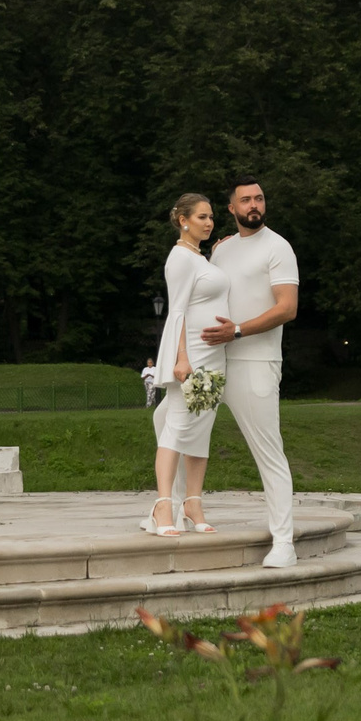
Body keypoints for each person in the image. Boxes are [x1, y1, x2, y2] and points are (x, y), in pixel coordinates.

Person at [202, 176, 300, 568]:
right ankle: (171, 512)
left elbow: (287, 308)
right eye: (245, 200)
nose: (254, 205)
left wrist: (238, 330)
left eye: (259, 198)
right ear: (232, 208)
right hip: (212, 361)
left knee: (269, 452)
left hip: (255, 363)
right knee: (178, 429)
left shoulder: (278, 247)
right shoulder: (221, 250)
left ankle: (284, 543)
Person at [147, 192, 229, 536]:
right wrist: (181, 358)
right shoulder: (180, 257)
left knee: (201, 429)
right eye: (201, 217)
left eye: (211, 217)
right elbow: (178, 310)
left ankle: (193, 502)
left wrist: (218, 253)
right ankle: (163, 505)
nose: (209, 223)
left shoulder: (200, 258)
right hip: (192, 355)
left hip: (214, 356)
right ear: (183, 220)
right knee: (178, 426)